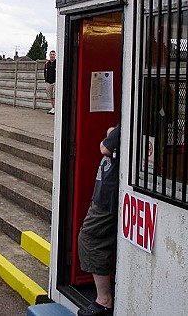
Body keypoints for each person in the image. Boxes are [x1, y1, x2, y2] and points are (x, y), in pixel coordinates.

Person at [77, 125, 121, 316]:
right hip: (104, 196)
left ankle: (104, 300)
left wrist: (109, 136)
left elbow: (106, 147)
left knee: (90, 238)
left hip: (106, 199)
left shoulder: (130, 120)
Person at [44, 50, 57, 114]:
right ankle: (53, 108)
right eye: (51, 54)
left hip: (55, 82)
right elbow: (45, 72)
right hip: (48, 82)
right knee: (51, 96)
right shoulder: (47, 63)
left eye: (53, 54)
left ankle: (57, 108)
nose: (52, 56)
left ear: (55, 55)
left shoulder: (57, 63)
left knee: (55, 96)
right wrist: (46, 80)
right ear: (49, 55)